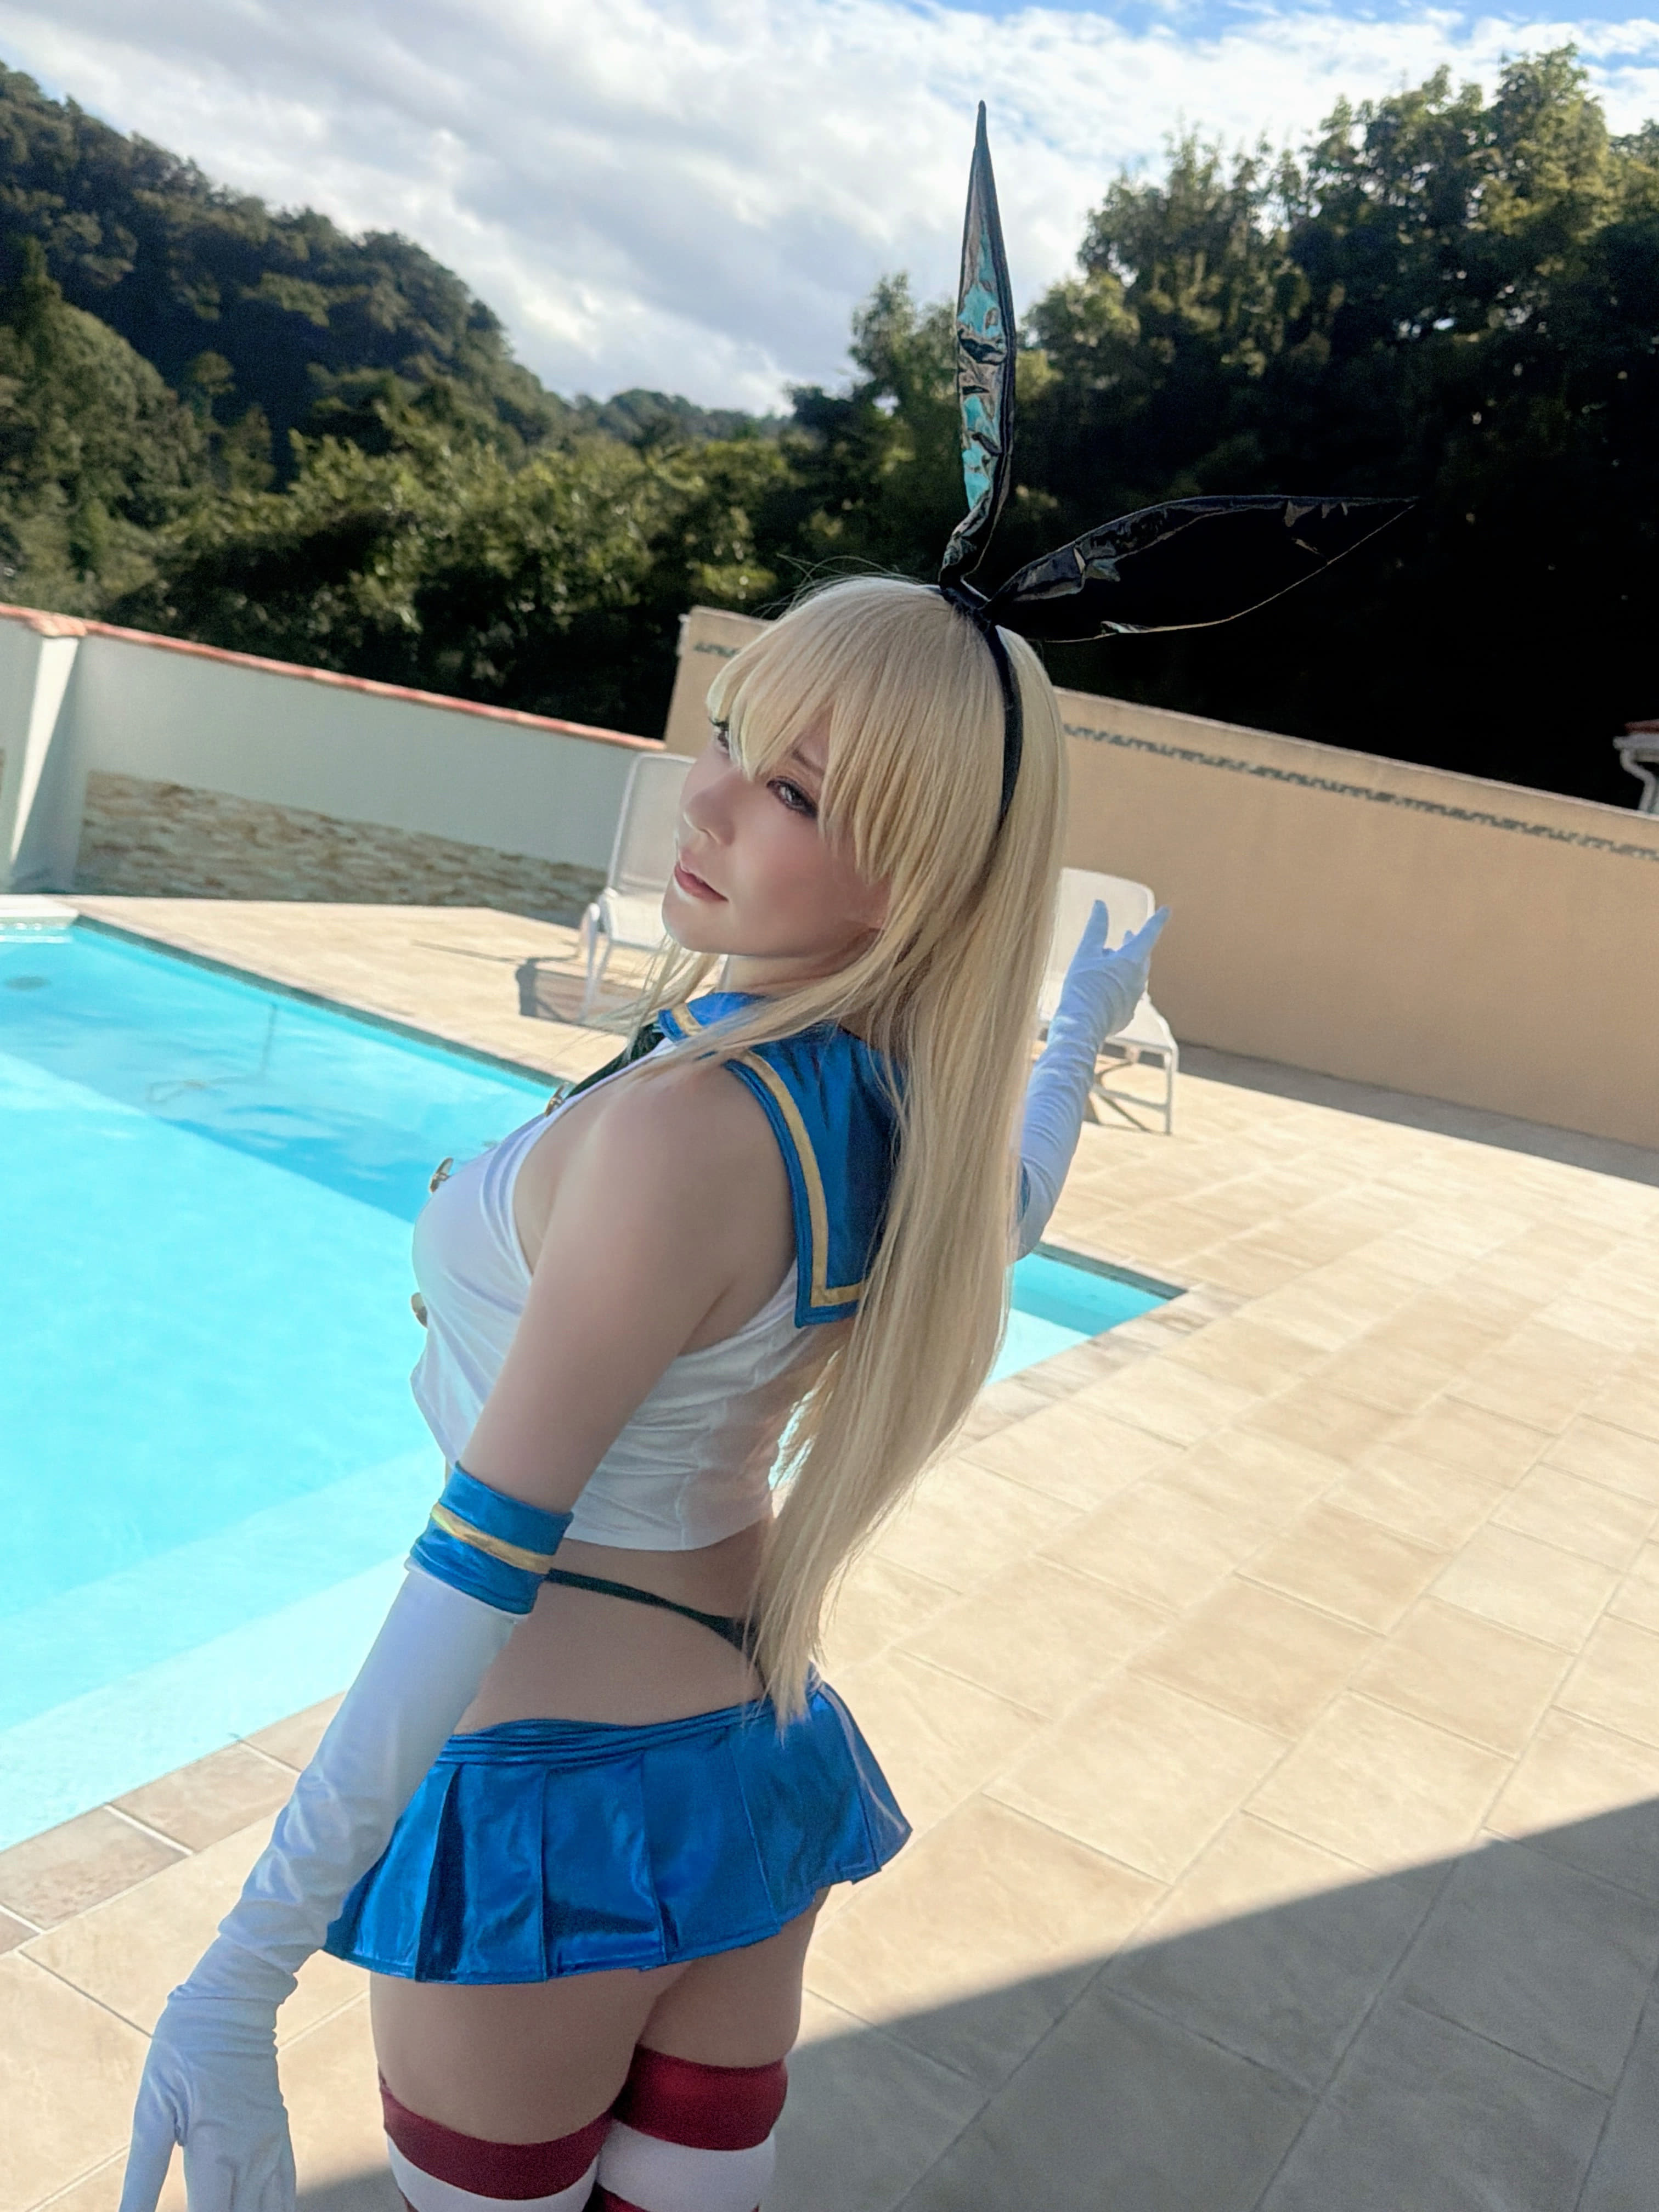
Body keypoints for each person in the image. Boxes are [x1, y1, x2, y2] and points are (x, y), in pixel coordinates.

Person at [119, 107, 1401, 2212]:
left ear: (915, 871)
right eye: (736, 740)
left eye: (795, 791)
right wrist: (1068, 1047)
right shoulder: (876, 1108)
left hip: (555, 1803)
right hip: (751, 1763)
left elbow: (478, 1559)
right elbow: (1002, 1222)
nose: (710, 804)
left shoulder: (690, 1133)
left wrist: (237, 1967)